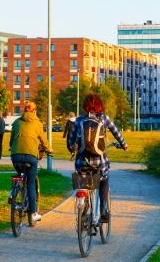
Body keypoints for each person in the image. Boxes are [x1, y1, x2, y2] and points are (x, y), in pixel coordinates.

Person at [66, 94, 127, 222]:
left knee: (83, 184)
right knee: (104, 180)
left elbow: (71, 141)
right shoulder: (104, 119)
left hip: (81, 162)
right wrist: (123, 144)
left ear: (85, 106)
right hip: (99, 162)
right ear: (99, 105)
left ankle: (83, 208)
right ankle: (104, 210)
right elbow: (116, 132)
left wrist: (73, 149)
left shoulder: (78, 120)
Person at [10, 101, 52, 223]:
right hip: (31, 157)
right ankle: (33, 213)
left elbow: (12, 139)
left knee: (19, 175)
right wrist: (48, 149)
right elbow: (43, 141)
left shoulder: (17, 122)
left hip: (16, 156)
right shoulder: (37, 123)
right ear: (34, 111)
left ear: (24, 110)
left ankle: (14, 192)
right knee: (31, 183)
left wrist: (11, 147)